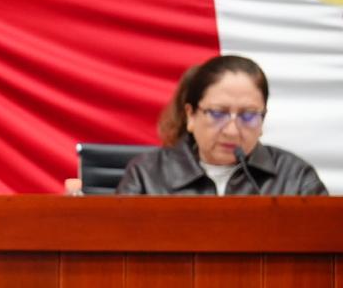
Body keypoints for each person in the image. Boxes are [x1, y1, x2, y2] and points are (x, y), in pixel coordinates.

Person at [118, 55, 327, 195]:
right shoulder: (147, 174)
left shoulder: (295, 177)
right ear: (191, 116)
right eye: (217, 113)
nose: (232, 131)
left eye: (248, 115)